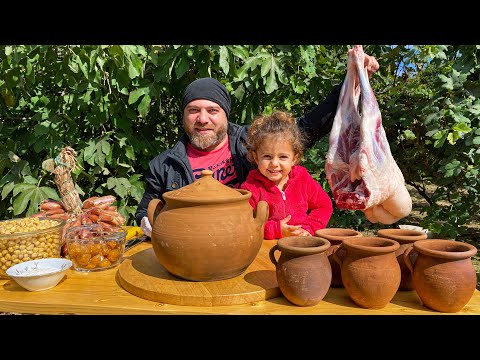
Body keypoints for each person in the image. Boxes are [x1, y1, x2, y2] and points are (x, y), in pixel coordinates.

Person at [135, 48, 379, 234]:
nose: (202, 119)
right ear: (184, 116)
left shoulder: (250, 142)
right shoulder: (164, 165)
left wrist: (352, 82)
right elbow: (144, 212)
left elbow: (307, 128)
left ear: (225, 115)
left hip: (247, 243)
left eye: (212, 110)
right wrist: (151, 226)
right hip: (196, 246)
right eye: (193, 110)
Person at [240, 110, 333, 239]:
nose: (274, 163)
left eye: (283, 157)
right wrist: (276, 230)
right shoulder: (250, 188)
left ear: (294, 158)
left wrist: (308, 228)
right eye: (267, 156)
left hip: (301, 244)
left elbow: (324, 205)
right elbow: (243, 223)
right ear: (256, 158)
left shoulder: (302, 179)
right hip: (267, 249)